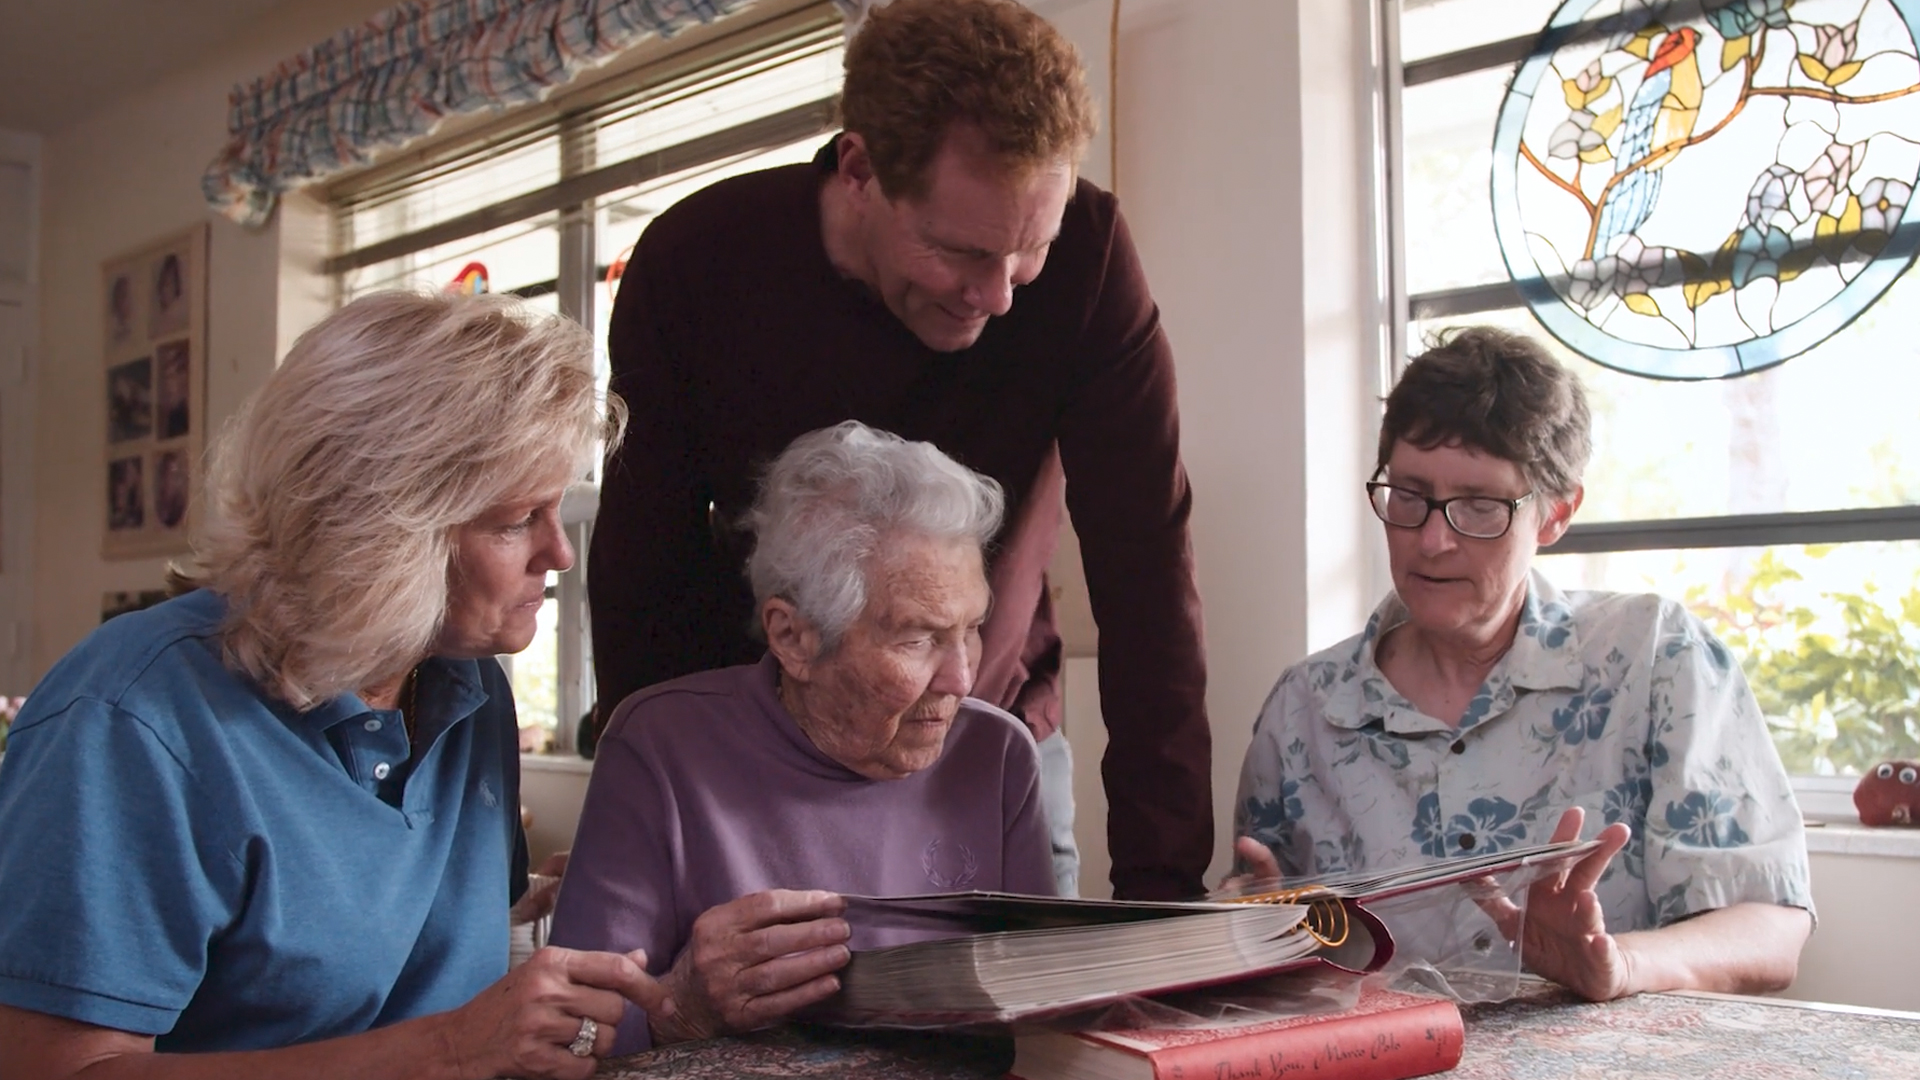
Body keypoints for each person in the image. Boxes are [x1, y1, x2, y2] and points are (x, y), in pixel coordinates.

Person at [590, 0, 1209, 902]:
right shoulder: (699, 263)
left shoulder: (1087, 263)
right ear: (860, 170)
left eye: (1025, 251)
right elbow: (640, 570)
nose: (997, 297)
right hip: (747, 767)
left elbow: (1148, 569)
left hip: (992, 741)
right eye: (959, 252)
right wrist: (642, 802)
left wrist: (1166, 892)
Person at [0, 291, 673, 1080]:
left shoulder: (470, 687)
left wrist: (545, 909)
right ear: (383, 534)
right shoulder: (132, 720)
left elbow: (373, 944)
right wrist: (450, 1050)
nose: (559, 554)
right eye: (517, 517)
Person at [1232, 327, 1814, 1002]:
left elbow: (1770, 926)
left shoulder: (1657, 659)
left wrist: (1617, 965)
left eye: (1480, 506)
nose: (1433, 539)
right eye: (1410, 495)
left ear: (1556, 513)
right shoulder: (1303, 711)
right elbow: (1269, 944)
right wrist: (1250, 938)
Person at [551, 421, 1057, 1054]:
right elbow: (572, 1035)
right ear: (791, 638)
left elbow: (1046, 1020)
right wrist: (680, 1009)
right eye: (917, 638)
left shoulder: (998, 756)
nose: (961, 677)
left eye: (971, 628)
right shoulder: (659, 747)